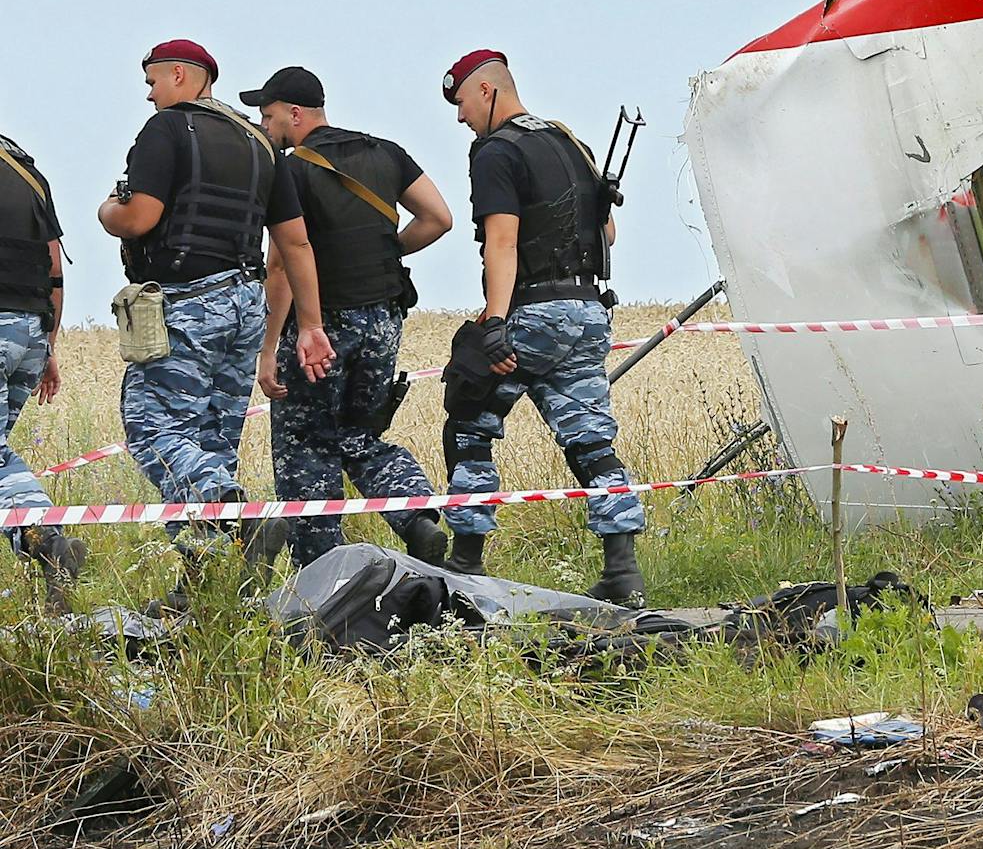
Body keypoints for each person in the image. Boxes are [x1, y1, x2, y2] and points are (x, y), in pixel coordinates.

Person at [99, 40, 333, 565]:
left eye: (152, 81)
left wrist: (107, 211)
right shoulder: (259, 142)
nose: (149, 95)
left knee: (152, 426)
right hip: (246, 305)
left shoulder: (167, 128)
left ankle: (232, 508)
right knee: (212, 442)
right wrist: (311, 324)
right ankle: (208, 581)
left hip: (185, 304)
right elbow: (295, 242)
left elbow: (138, 218)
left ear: (181, 75)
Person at [437, 48, 645, 604]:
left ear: (486, 92)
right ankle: (623, 574)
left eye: (460, 103)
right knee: (591, 441)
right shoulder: (568, 141)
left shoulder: (495, 151)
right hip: (588, 313)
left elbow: (501, 241)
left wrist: (497, 324)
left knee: (469, 418)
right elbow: (610, 236)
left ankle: (465, 563)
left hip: (534, 312)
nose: (460, 118)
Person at [243, 66, 456, 566]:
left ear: (295, 114)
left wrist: (270, 346)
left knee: (305, 447)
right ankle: (416, 518)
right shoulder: (386, 152)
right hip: (384, 320)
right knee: (360, 435)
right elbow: (439, 218)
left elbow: (279, 265)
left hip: (323, 326)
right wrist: (389, 252)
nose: (266, 126)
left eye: (269, 116)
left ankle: (323, 575)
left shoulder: (289, 171)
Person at [0, 129, 83, 591]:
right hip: (28, 331)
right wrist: (48, 345)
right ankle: (45, 543)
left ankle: (45, 542)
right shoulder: (25, 169)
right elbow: (54, 265)